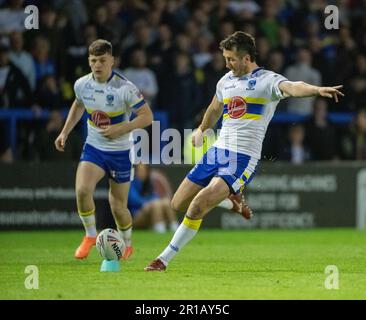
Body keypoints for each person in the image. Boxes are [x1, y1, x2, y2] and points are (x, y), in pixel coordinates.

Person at [144, 31, 344, 271]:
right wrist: (201, 129)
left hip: (243, 158)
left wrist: (316, 90)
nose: (227, 63)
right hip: (218, 151)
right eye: (225, 58)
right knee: (177, 203)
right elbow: (214, 109)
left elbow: (292, 87)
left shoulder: (267, 80)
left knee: (198, 205)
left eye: (231, 59)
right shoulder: (225, 81)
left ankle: (162, 259)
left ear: (247, 57)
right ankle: (233, 203)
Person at [54, 39, 153, 260]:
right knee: (82, 190)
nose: (97, 65)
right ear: (89, 62)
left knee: (118, 207)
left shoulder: (125, 88)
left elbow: (147, 117)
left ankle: (127, 244)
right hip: (95, 147)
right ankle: (90, 235)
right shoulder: (82, 84)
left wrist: (121, 128)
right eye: (93, 61)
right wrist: (64, 132)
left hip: (120, 152)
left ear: (112, 61)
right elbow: (79, 104)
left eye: (102, 60)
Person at [128, 163, 179, 233]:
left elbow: (155, 197)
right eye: (140, 170)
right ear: (135, 172)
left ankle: (175, 229)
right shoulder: (130, 182)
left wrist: (152, 202)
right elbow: (133, 200)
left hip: (150, 209)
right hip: (134, 217)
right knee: (155, 204)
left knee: (165, 202)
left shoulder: (148, 183)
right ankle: (160, 231)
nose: (142, 173)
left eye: (144, 170)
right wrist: (147, 203)